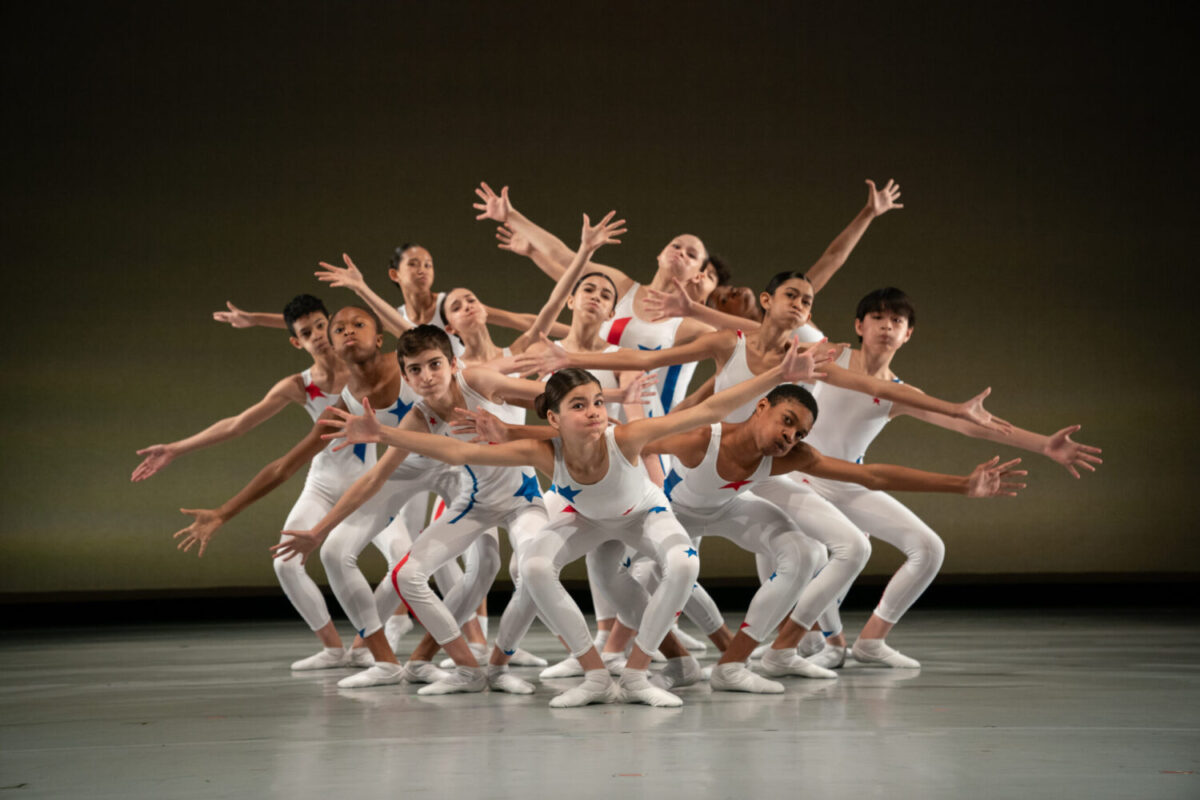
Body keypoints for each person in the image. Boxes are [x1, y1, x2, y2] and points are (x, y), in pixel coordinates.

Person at [320, 340, 830, 707]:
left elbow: (714, 407)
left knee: (682, 564)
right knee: (533, 567)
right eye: (579, 406)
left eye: (597, 403)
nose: (593, 413)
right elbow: (455, 451)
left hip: (642, 516)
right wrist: (383, 435)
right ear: (554, 418)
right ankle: (594, 675)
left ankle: (636, 675)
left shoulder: (627, 436)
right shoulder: (543, 451)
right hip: (585, 520)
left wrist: (776, 375)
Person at [771, 288, 1103, 668]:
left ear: (908, 334)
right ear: (859, 325)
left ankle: (871, 641)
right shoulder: (830, 354)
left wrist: (1044, 444)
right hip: (799, 473)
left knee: (928, 548)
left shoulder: (902, 393)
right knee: (832, 552)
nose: (887, 326)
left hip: (850, 480)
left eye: (897, 321)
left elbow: (968, 425)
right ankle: (812, 640)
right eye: (878, 318)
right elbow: (785, 324)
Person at [640, 383, 1025, 692]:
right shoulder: (700, 439)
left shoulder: (791, 456)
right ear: (761, 406)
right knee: (640, 575)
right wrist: (646, 496)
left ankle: (732, 665)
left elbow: (873, 476)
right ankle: (671, 662)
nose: (789, 436)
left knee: (805, 552)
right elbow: (630, 443)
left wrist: (962, 485)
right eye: (786, 421)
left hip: (728, 510)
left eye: (799, 433)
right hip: (676, 511)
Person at [171, 306, 459, 677]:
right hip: (331, 484)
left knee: (409, 561)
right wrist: (222, 511)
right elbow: (279, 461)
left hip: (391, 476)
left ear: (380, 338)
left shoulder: (409, 366)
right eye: (336, 329)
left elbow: (429, 344)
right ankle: (353, 650)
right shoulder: (327, 398)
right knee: (296, 559)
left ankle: (398, 648)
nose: (345, 332)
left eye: (353, 325)